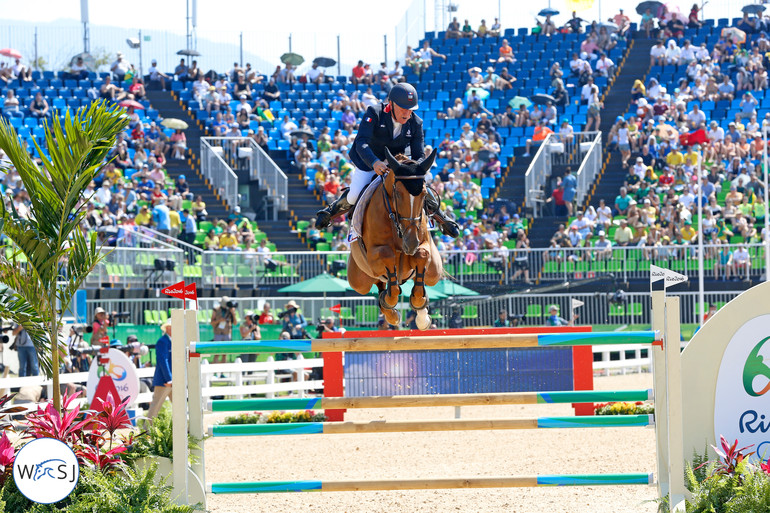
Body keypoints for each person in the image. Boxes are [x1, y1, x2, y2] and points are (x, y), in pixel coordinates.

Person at [315, 82, 459, 237]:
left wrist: (416, 169)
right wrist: (374, 162)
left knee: (419, 189)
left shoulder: (416, 123)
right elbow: (361, 142)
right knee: (355, 194)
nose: (407, 113)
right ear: (391, 104)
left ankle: (443, 219)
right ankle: (331, 210)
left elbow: (419, 154)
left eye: (410, 110)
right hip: (369, 160)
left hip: (396, 164)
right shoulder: (374, 113)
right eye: (403, 109)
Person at [147, 321, 172, 419]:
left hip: (171, 380)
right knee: (156, 405)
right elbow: (163, 361)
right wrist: (169, 379)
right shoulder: (163, 341)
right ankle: (148, 430)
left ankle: (186, 427)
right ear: (168, 328)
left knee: (181, 405)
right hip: (164, 381)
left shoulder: (171, 341)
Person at [210, 297, 238, 365]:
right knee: (217, 353)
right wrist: (219, 320)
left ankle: (222, 373)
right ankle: (215, 373)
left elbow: (235, 323)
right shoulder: (216, 310)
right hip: (218, 333)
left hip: (227, 333)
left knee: (224, 354)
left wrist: (233, 313)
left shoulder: (230, 310)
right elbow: (212, 322)